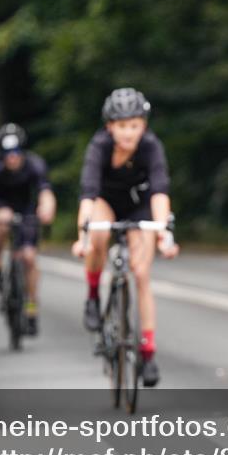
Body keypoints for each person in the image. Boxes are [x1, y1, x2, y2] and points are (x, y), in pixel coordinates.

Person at [71, 88, 179, 387]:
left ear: (143, 125)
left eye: (134, 125)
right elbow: (89, 196)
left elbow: (159, 192)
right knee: (97, 238)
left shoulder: (151, 146)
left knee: (142, 273)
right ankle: (92, 296)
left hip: (139, 204)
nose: (128, 132)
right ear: (110, 127)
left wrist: (164, 236)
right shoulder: (99, 146)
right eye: (121, 126)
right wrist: (82, 236)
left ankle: (147, 352)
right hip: (106, 202)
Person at [0, 124, 57, 336]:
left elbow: (45, 192)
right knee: (1, 228)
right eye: (7, 155)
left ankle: (31, 309)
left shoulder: (34, 165)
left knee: (29, 257)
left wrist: (46, 208)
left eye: (16, 153)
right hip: (1, 207)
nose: (12, 158)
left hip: (27, 210)